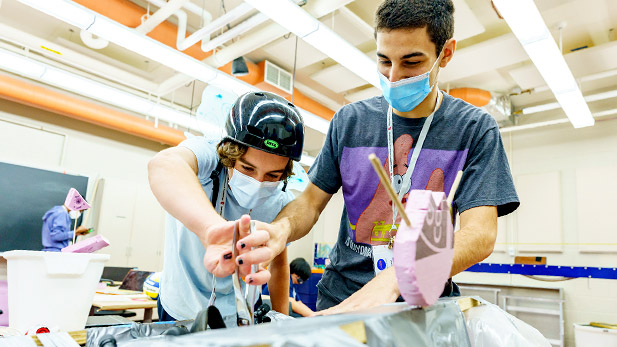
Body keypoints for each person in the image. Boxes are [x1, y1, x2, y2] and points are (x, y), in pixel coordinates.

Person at [228, 0, 520, 314]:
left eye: (411, 62)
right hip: (342, 300)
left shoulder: (475, 129)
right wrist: (280, 230)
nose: (393, 77)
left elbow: (480, 234)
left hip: (423, 304)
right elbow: (310, 203)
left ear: (445, 54)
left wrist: (399, 276)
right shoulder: (349, 121)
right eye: (384, 61)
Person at [148, 91, 305, 326]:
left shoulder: (282, 201)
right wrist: (212, 230)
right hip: (180, 307)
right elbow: (164, 165)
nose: (258, 183)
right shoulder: (208, 159)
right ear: (231, 155)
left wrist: (281, 320)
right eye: (248, 169)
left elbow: (279, 260)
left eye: (272, 175)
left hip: (235, 315)